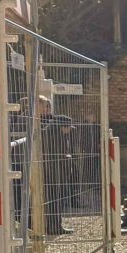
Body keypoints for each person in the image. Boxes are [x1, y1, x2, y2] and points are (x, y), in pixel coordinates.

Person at [38, 96, 75, 235]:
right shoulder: (46, 127)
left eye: (49, 107)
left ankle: (54, 225)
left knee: (57, 199)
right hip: (49, 169)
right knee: (52, 199)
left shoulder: (51, 122)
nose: (47, 110)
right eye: (45, 107)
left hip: (57, 169)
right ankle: (51, 226)